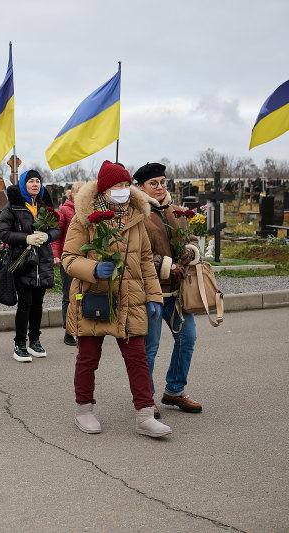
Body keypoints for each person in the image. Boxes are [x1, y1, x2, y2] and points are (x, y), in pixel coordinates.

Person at [62, 160, 172, 438]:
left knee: (137, 358)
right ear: (103, 189)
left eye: (125, 185)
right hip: (94, 297)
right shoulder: (84, 217)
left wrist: (154, 296)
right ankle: (84, 410)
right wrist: (94, 269)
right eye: (116, 186)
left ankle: (145, 415)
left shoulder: (137, 216)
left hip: (132, 298)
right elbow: (68, 259)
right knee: (88, 358)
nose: (122, 190)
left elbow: (146, 260)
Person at [133, 162, 202, 416]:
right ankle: (145, 399)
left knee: (188, 338)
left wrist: (190, 252)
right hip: (150, 292)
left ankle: (174, 390)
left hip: (177, 292)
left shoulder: (175, 211)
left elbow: (191, 240)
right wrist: (167, 265)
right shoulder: (136, 214)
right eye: (154, 183)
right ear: (141, 187)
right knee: (149, 348)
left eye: (162, 182)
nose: (160, 187)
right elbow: (135, 254)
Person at [0, 170, 60, 363]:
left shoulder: (44, 206)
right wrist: (26, 238)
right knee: (25, 303)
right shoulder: (13, 207)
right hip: (23, 261)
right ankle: (20, 344)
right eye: (31, 181)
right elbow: (4, 233)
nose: (35, 184)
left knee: (38, 303)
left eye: (38, 181)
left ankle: (35, 340)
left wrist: (48, 236)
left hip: (42, 261)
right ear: (23, 184)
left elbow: (57, 227)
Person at [51, 182, 84, 347]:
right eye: (79, 193)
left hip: (85, 259)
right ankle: (69, 331)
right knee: (69, 295)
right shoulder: (65, 210)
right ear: (72, 194)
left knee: (82, 295)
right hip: (68, 258)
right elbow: (57, 235)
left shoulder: (87, 209)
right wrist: (56, 255)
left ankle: (82, 328)